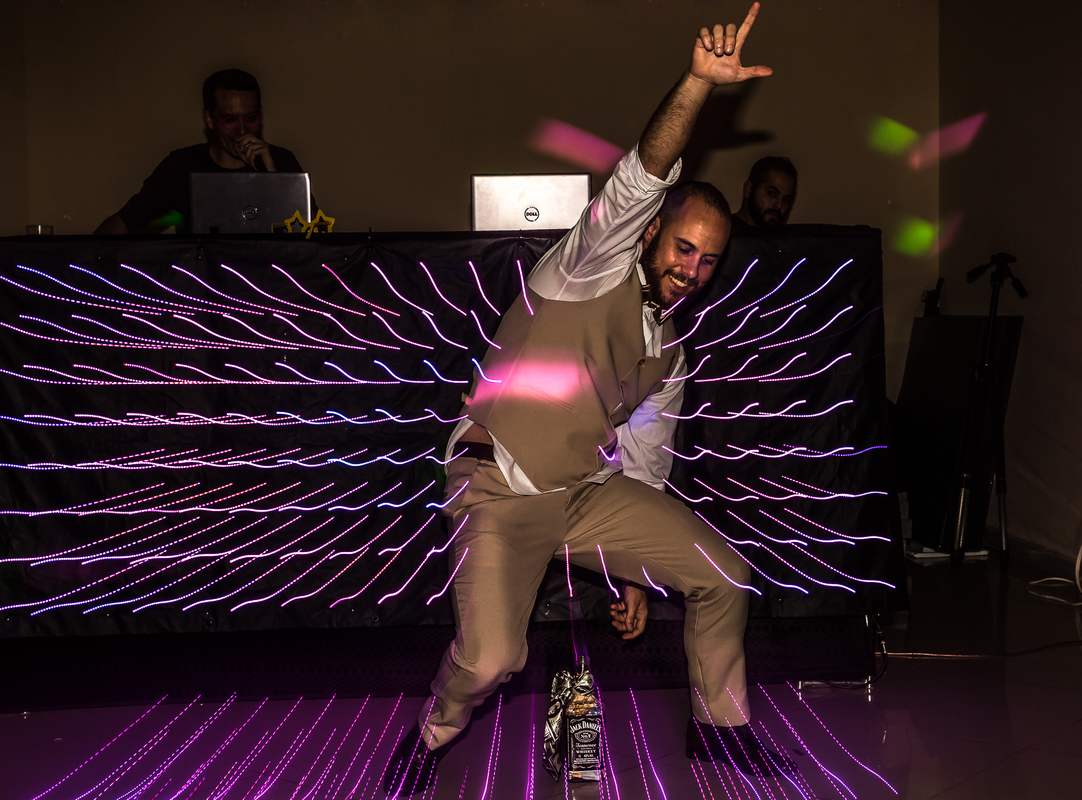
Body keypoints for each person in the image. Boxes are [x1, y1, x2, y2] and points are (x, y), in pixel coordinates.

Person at [386, 4, 795, 794]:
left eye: (709, 261)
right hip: (499, 483)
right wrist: (697, 85)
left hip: (583, 494)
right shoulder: (588, 265)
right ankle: (433, 731)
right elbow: (645, 171)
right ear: (651, 234)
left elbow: (644, 462)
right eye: (683, 247)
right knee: (491, 659)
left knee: (725, 576)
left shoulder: (669, 353)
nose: (691, 270)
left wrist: (634, 574)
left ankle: (721, 730)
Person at [94, 69, 313, 234]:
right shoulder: (181, 165)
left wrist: (274, 180)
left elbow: (313, 238)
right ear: (210, 119)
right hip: (204, 279)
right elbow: (126, 220)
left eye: (251, 118)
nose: (243, 130)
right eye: (230, 120)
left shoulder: (281, 161)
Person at [731, 155, 797, 227]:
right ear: (748, 189)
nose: (779, 205)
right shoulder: (726, 231)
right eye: (772, 194)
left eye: (786, 200)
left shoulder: (791, 233)